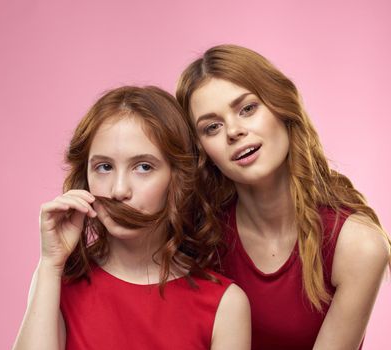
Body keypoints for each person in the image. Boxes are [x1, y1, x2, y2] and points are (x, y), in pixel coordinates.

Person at [176, 45, 391, 350]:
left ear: (281, 106)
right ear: (202, 152)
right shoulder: (197, 233)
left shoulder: (357, 245)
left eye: (247, 109)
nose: (234, 131)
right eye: (212, 127)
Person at [13, 86, 251, 350]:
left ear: (178, 178)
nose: (118, 191)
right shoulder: (57, 284)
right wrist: (50, 265)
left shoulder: (224, 305)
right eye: (104, 167)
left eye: (143, 167)